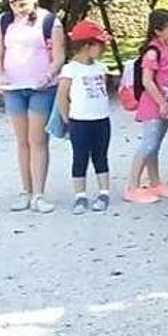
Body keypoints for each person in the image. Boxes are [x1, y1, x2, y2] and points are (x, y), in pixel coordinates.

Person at [0, 0, 63, 214]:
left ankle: (39, 194)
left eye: (22, 3)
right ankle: (26, 190)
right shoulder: (2, 22)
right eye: (12, 4)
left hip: (41, 87)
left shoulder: (50, 21)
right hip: (13, 88)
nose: (17, 9)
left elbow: (59, 56)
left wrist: (49, 75)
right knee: (21, 141)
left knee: (37, 140)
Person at [56, 20, 114, 215]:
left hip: (101, 118)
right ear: (86, 45)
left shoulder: (101, 67)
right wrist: (66, 118)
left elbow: (103, 89)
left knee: (101, 155)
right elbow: (62, 96)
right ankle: (80, 195)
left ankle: (104, 191)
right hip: (80, 120)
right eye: (100, 45)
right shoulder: (70, 69)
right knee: (80, 157)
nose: (103, 49)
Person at [124, 9, 168, 204]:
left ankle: (155, 181)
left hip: (167, 103)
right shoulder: (152, 52)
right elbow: (147, 81)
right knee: (148, 144)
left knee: (155, 145)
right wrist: (162, 103)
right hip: (154, 105)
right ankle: (132, 186)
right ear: (158, 31)